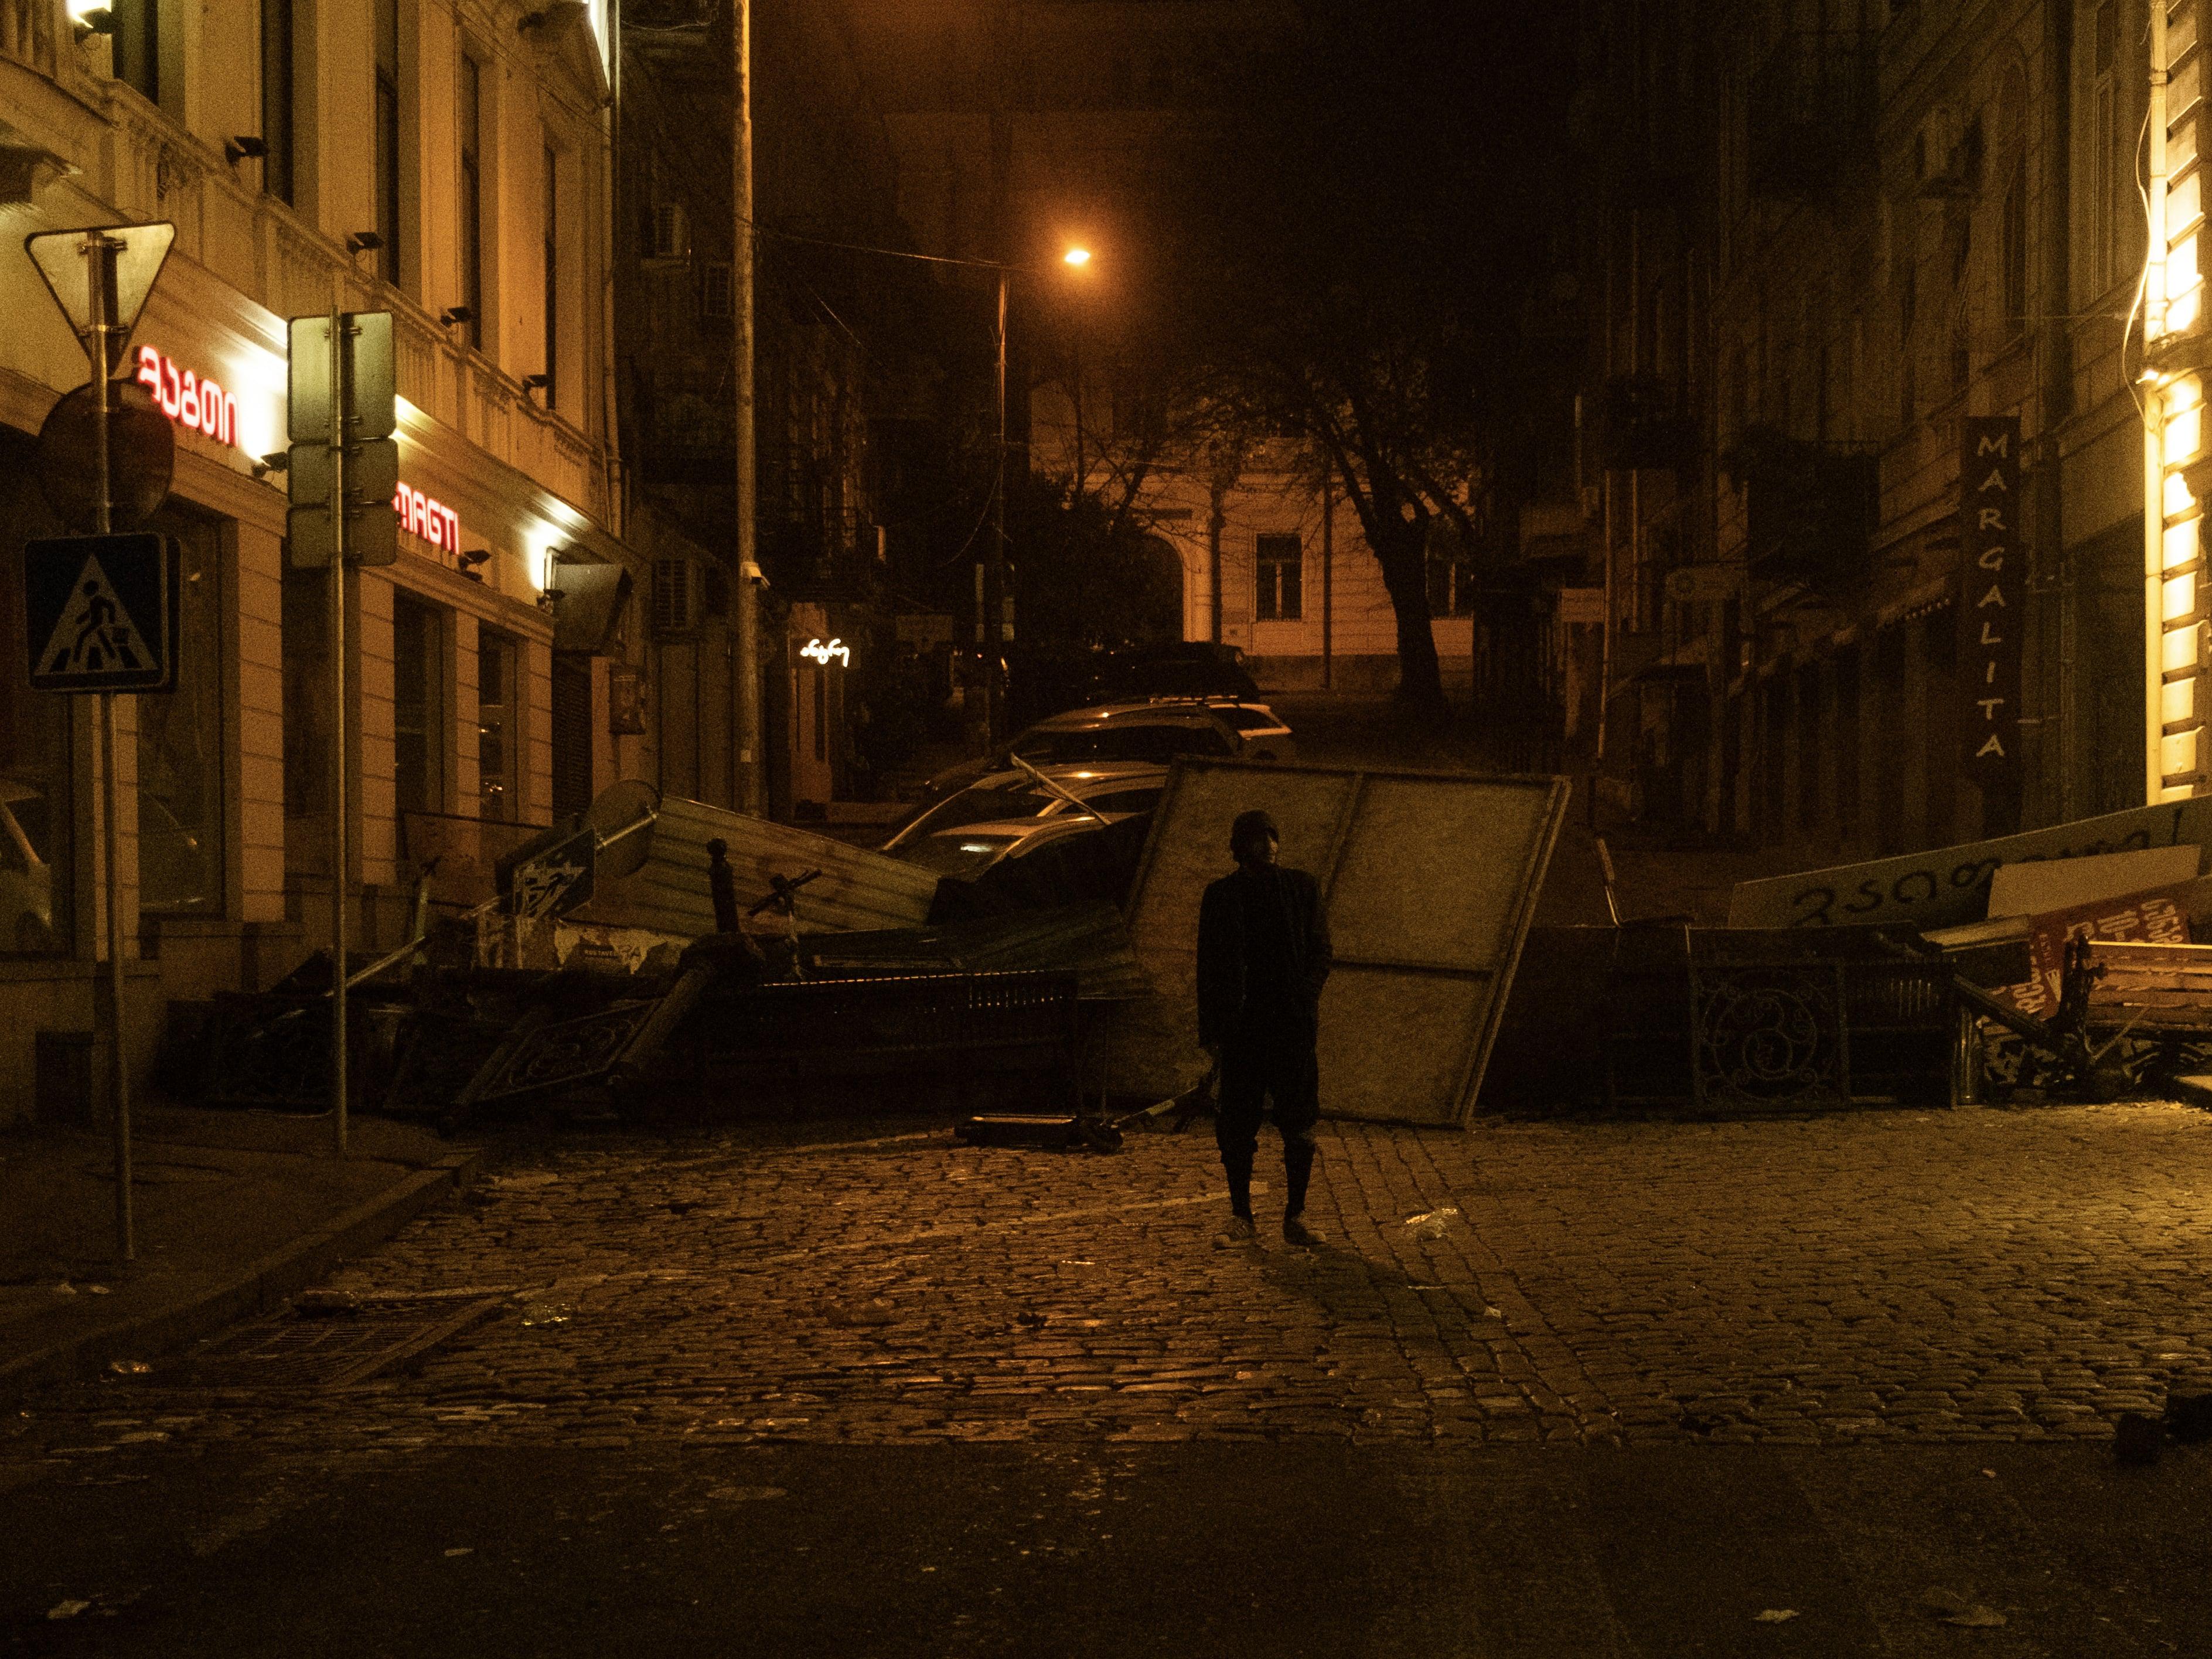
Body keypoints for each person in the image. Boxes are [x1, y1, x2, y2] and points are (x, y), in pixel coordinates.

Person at [1197, 808, 1332, 1249]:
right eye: (1259, 839)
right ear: (1241, 847)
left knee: (1298, 1121)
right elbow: (1210, 966)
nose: (1269, 846)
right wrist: (1214, 1031)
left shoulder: (1299, 888)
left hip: (1289, 1024)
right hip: (1244, 1027)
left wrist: (1304, 998)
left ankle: (1296, 1215)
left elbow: (1319, 949)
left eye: (1273, 837)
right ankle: (1241, 1215)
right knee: (1237, 1124)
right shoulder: (1221, 896)